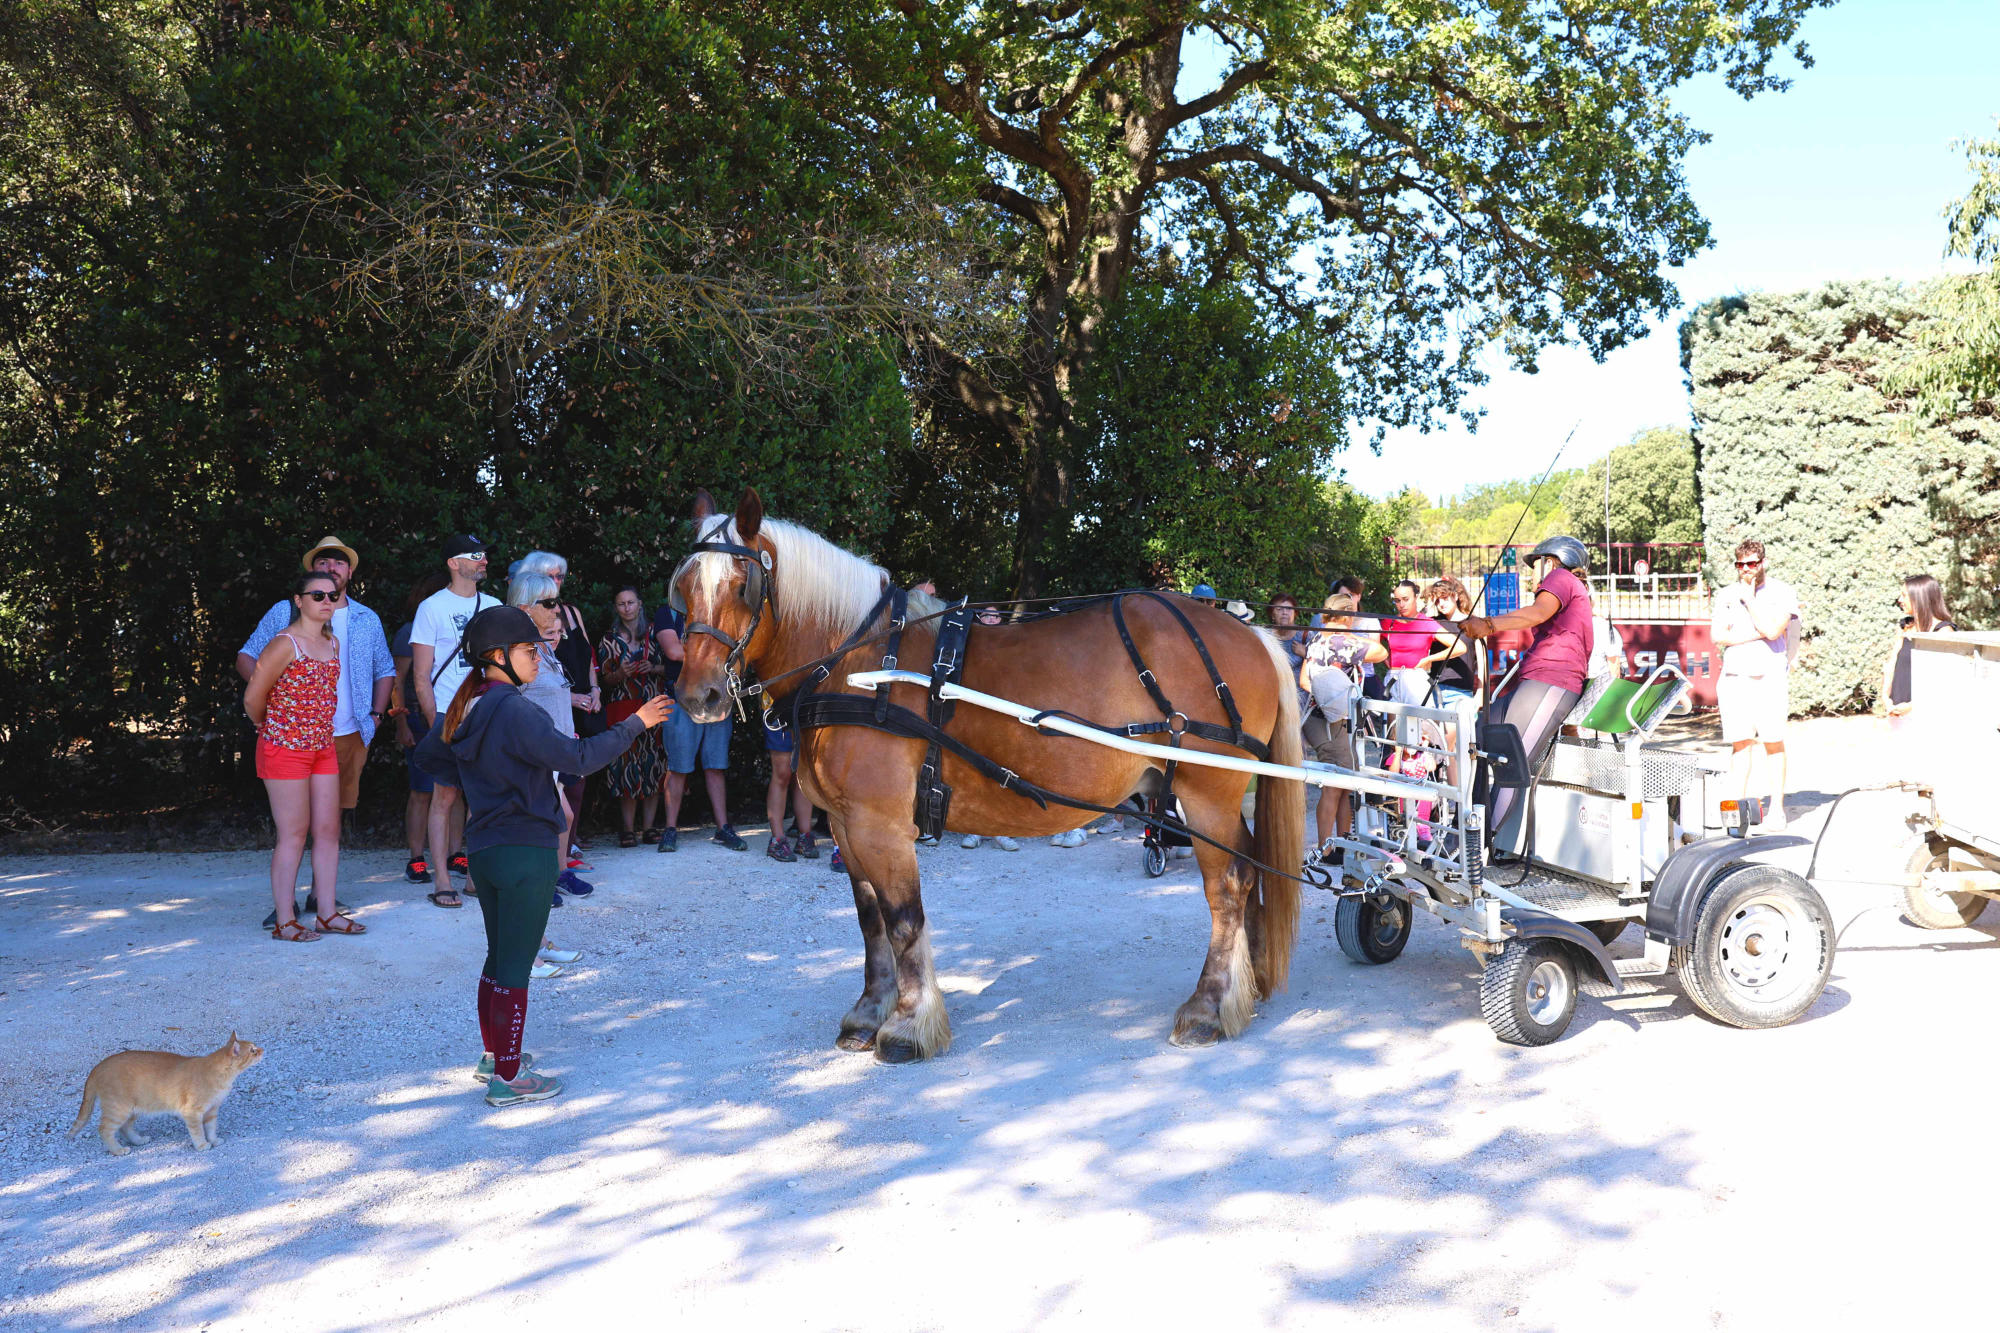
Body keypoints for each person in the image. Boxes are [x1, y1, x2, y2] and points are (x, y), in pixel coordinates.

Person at [415, 606, 673, 1107]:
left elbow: (430, 757)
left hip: (487, 852)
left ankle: (495, 1058)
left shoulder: (468, 706)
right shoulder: (513, 708)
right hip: (525, 852)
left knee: (498, 959)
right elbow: (577, 759)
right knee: (516, 966)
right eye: (529, 650)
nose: (539, 656)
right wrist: (635, 724)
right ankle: (507, 1081)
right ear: (498, 656)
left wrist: (479, 779)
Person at [237, 536, 396, 838]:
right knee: (295, 823)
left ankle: (319, 885)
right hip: (293, 734)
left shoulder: (366, 619)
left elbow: (385, 669)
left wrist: (376, 716)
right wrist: (274, 698)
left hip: (348, 731)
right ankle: (295, 880)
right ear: (311, 572)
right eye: (323, 561)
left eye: (339, 561)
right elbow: (247, 656)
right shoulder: (285, 612)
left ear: (350, 572)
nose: (331, 567)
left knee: (330, 822)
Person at [243, 571, 363, 941]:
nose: (326, 601)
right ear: (298, 600)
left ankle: (326, 913)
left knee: (328, 830)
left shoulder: (334, 643)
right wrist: (272, 728)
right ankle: (284, 920)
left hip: (321, 747)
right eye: (317, 595)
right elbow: (252, 698)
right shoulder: (284, 644)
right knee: (293, 835)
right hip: (284, 750)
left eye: (333, 595)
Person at [1458, 535, 1596, 842]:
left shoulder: (1561, 577)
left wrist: (1490, 625)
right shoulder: (1569, 587)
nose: (1531, 574)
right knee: (1474, 737)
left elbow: (1536, 613)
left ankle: (1480, 844)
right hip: (1537, 680)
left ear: (1552, 561)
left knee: (1510, 763)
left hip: (1552, 681)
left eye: (1535, 565)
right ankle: (1469, 828)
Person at [409, 535, 497, 907]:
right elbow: (420, 674)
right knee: (444, 797)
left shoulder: (493, 605)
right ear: (452, 562)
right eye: (475, 555)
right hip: (448, 713)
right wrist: (435, 724)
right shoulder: (431, 608)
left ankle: (476, 878)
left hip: (487, 712)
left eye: (484, 554)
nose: (483, 561)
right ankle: (442, 880)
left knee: (482, 798)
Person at [508, 572, 595, 898]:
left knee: (557, 816)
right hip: (531, 751)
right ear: (525, 607)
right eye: (547, 602)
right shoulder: (518, 650)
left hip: (554, 749)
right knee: (550, 817)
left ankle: (553, 875)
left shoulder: (544, 646)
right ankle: (538, 881)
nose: (556, 608)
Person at [1709, 538, 1801, 831]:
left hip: (1770, 676)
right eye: (1740, 564)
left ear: (1762, 562)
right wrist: (1757, 635)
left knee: (1773, 742)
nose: (1746, 570)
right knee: (1741, 744)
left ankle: (1777, 809)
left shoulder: (1782, 592)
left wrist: (1749, 601)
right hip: (1736, 676)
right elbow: (1718, 636)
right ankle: (1736, 809)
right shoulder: (1726, 594)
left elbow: (1775, 630)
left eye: (1751, 563)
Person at [654, 587, 746, 852]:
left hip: (716, 696)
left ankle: (723, 828)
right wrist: (712, 652)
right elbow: (673, 651)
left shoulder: (719, 614)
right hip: (680, 697)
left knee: (716, 766)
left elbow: (735, 650)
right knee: (678, 768)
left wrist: (699, 651)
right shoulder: (667, 613)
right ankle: (669, 830)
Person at [1299, 592, 1388, 855]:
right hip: (1334, 722)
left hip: (1316, 718)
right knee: (1334, 784)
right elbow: (1381, 652)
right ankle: (1326, 849)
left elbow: (1304, 679)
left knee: (1340, 784)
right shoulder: (1343, 641)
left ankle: (1340, 843)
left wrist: (1324, 696)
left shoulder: (1316, 637)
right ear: (1348, 615)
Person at [597, 586, 670, 846]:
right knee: (625, 766)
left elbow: (673, 666)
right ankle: (627, 829)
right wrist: (622, 674)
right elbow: (604, 680)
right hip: (623, 709)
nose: (626, 608)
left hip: (654, 704)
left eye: (630, 602)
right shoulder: (608, 639)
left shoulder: (655, 633)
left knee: (654, 764)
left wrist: (655, 667)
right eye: (621, 604)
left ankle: (649, 828)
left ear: (640, 604)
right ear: (616, 608)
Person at [391, 571, 450, 884]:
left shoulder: (458, 628)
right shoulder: (409, 631)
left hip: (452, 716)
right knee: (422, 791)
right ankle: (416, 857)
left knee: (455, 788)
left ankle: (456, 853)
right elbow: (397, 680)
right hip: (417, 717)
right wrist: (401, 722)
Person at [1884, 573, 1956, 774]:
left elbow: (1945, 682)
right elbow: (1892, 661)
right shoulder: (1906, 626)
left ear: (1920, 597)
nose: (1900, 600)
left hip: (1926, 712)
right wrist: (1885, 697)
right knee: (1909, 771)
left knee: (1930, 771)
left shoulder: (1943, 632)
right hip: (1899, 707)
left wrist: (1913, 706)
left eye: (1904, 595)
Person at [761, 715, 821, 861]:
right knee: (782, 772)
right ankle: (777, 840)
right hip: (777, 705)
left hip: (805, 704)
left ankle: (805, 836)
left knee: (804, 769)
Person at [1380, 579, 1444, 705]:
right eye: (1397, 601)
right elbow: (1372, 643)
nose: (1401, 604)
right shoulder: (1388, 622)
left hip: (1416, 679)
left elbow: (1459, 647)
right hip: (1393, 678)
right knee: (1394, 724)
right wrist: (1384, 657)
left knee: (1424, 722)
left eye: (1405, 599)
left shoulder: (1426, 623)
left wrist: (1428, 659)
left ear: (1416, 597)